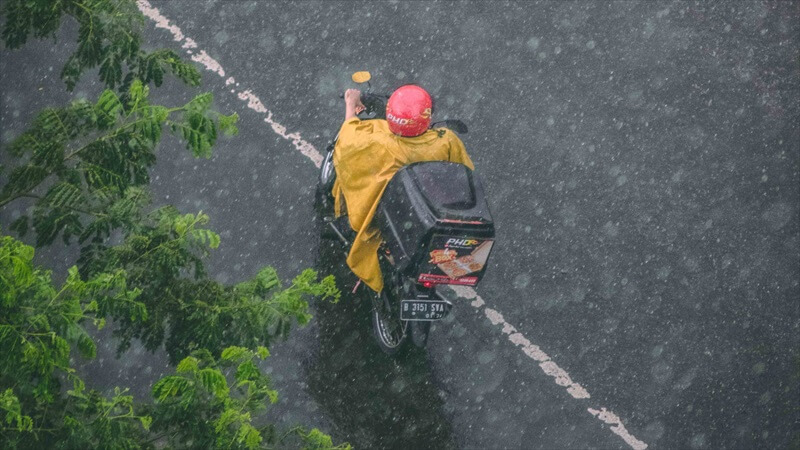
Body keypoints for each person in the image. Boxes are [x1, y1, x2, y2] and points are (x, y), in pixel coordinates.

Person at [331, 84, 474, 293]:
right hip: (430, 213)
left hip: (391, 214)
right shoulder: (446, 141)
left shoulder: (374, 140)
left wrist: (351, 103)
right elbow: (465, 173)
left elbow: (346, 139)